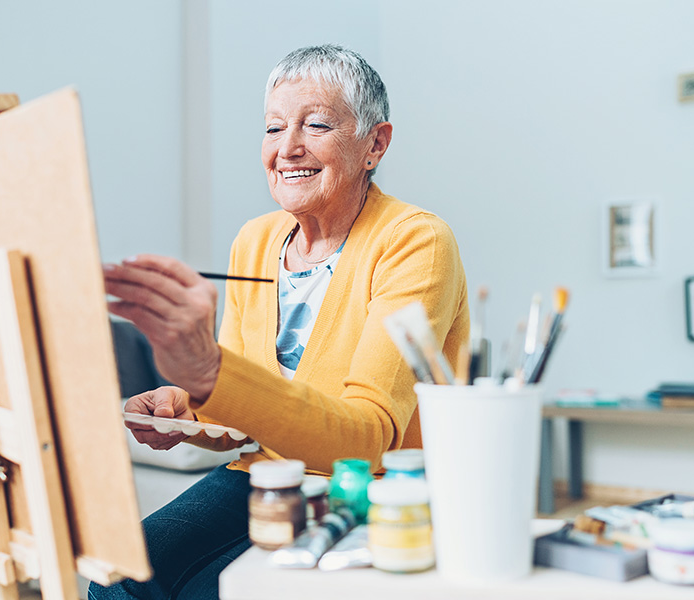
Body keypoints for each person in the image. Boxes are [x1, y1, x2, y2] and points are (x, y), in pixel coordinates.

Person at [90, 44, 469, 600]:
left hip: (364, 490)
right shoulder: (256, 239)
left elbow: (364, 441)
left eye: (315, 125)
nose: (287, 148)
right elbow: (245, 404)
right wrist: (185, 403)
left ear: (375, 144)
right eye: (273, 128)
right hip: (260, 477)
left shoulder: (415, 241)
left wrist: (209, 373)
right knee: (118, 580)